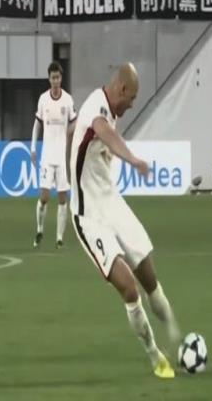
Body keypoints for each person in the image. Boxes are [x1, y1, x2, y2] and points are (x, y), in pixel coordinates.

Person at [69, 62, 180, 379]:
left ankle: (176, 336)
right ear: (121, 89)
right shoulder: (97, 108)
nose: (132, 105)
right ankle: (156, 356)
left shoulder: (109, 107)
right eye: (131, 98)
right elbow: (104, 132)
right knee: (130, 288)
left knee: (149, 275)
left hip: (112, 203)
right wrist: (133, 159)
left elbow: (77, 131)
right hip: (89, 216)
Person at [31, 61, 76, 248]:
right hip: (47, 156)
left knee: (63, 198)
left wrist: (72, 143)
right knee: (44, 197)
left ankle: (59, 238)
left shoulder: (68, 100)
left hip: (62, 157)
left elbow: (74, 124)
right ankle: (40, 229)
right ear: (49, 79)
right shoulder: (43, 99)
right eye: (52, 78)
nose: (55, 81)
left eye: (58, 77)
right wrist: (33, 148)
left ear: (61, 78)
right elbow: (37, 125)